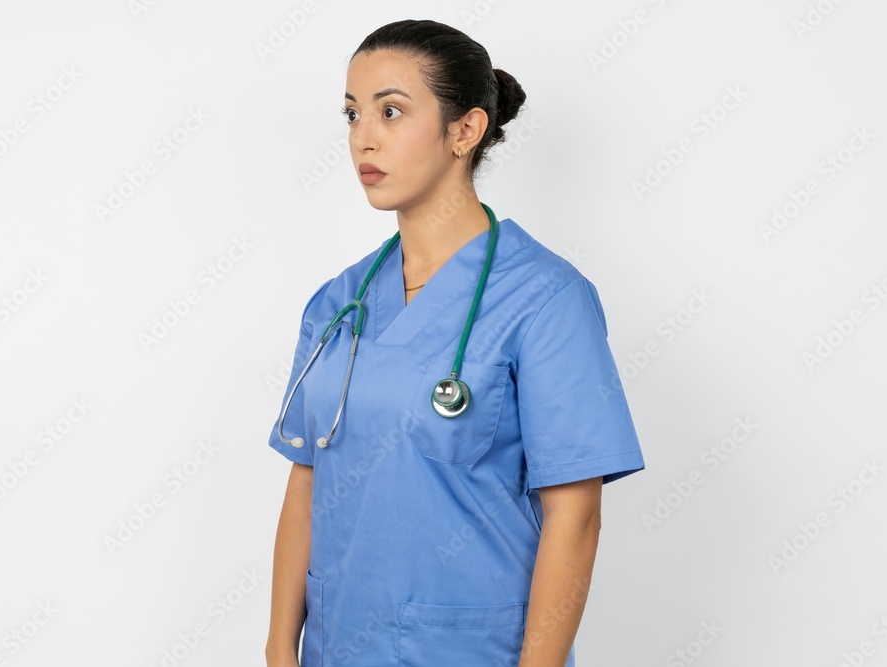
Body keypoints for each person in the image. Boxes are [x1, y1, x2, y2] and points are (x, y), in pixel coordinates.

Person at [265, 18, 646, 667]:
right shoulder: (338, 303)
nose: (364, 137)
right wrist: (279, 649)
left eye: (391, 111)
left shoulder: (545, 300)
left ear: (464, 130)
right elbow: (307, 481)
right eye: (353, 113)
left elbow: (575, 516)